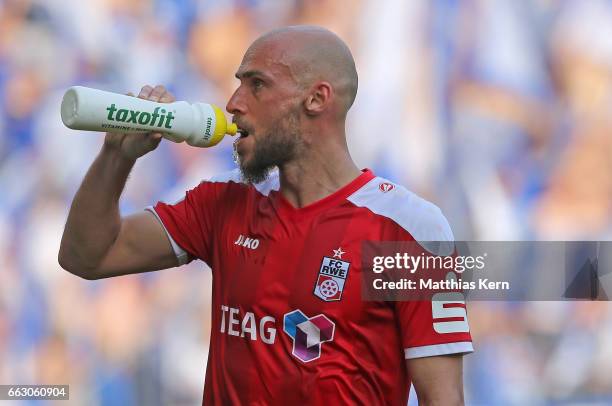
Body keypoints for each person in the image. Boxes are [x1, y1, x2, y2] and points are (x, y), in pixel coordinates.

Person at [59, 25, 473, 405]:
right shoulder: (222, 201)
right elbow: (88, 256)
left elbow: (443, 398)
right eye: (238, 84)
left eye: (256, 85)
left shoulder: (409, 229)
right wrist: (117, 156)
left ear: (316, 98)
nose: (234, 103)